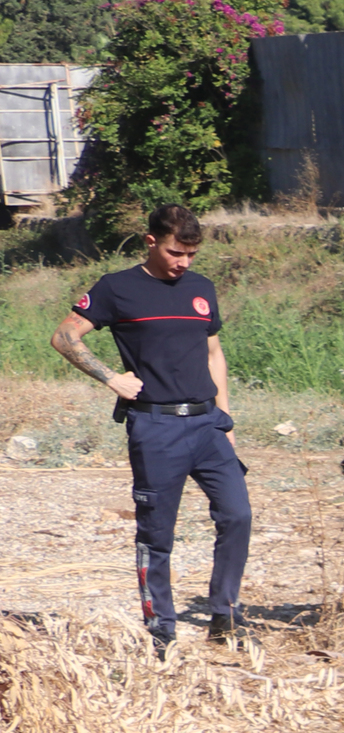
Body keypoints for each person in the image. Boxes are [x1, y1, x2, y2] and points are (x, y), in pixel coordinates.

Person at [54, 202, 250, 653]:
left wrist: (227, 421)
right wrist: (110, 377)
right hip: (156, 428)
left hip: (207, 425)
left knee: (237, 515)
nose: (183, 263)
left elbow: (213, 353)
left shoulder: (201, 288)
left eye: (191, 255)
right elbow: (64, 336)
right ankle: (161, 627)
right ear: (150, 242)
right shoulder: (118, 288)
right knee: (157, 535)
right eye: (174, 253)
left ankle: (226, 614)